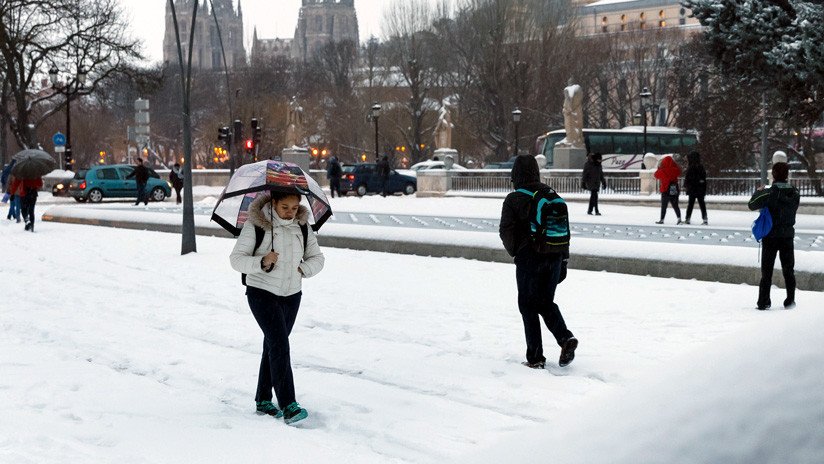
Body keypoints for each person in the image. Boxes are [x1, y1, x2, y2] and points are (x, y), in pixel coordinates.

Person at [230, 191, 325, 425]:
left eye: (294, 208)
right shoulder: (256, 225)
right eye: (285, 207)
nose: (290, 212)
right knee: (280, 344)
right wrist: (262, 261)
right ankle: (288, 405)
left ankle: (263, 399)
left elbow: (318, 258)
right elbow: (236, 259)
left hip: (292, 295)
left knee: (273, 345)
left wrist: (303, 269)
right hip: (261, 292)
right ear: (273, 203)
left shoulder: (302, 227)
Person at [500, 155, 578, 370]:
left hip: (529, 258)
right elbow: (565, 230)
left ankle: (535, 357)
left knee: (527, 305)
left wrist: (517, 252)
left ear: (515, 173)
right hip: (555, 257)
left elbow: (505, 231)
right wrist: (563, 260)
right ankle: (565, 339)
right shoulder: (551, 194)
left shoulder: (514, 198)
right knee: (544, 302)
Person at [748, 162, 800, 310]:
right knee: (788, 269)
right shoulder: (795, 193)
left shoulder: (769, 192)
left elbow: (752, 204)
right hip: (787, 236)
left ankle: (764, 301)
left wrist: (759, 191)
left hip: (770, 236)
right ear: (787, 175)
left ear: (774, 175)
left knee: (767, 270)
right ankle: (790, 300)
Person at [654, 155, 682, 225]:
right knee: (675, 205)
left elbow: (656, 175)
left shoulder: (663, 170)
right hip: (673, 189)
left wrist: (659, 167)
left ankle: (662, 219)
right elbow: (679, 172)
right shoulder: (675, 169)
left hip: (665, 190)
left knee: (664, 206)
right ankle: (679, 219)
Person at [684, 151, 708, 225]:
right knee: (702, 204)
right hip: (700, 189)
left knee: (690, 204)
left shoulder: (690, 167)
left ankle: (688, 218)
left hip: (692, 189)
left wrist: (687, 186)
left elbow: (688, 178)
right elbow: (703, 177)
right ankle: (704, 218)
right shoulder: (700, 166)